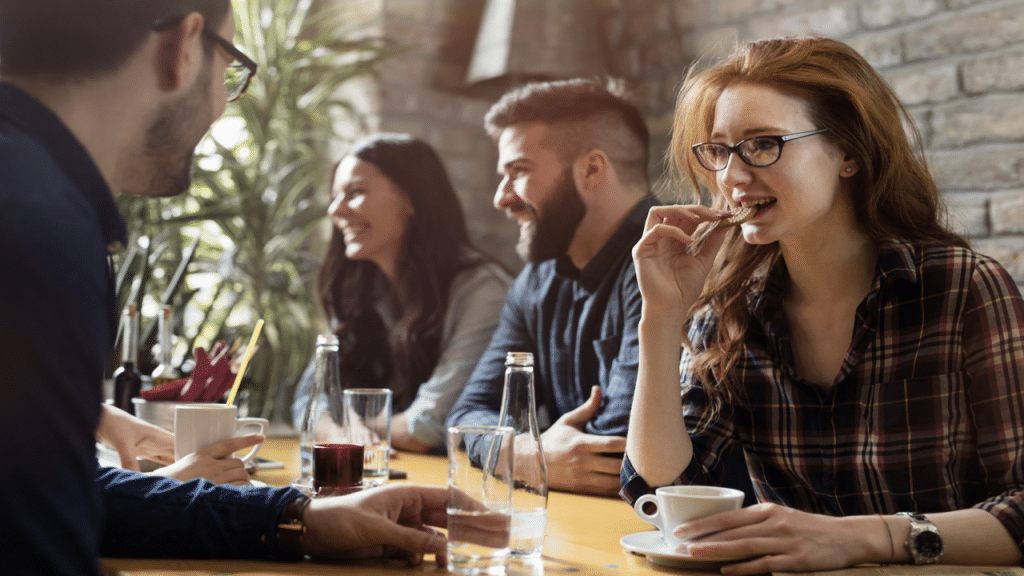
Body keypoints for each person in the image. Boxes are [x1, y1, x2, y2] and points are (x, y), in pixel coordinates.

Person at [0, 2, 447, 574]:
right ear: (184, 47)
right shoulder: (37, 228)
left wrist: (299, 519)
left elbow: (61, 497)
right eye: (230, 68)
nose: (222, 104)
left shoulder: (34, 195)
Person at [623, 36, 1024, 573]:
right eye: (718, 150)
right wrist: (662, 317)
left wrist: (865, 538)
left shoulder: (965, 291)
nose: (732, 178)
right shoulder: (729, 314)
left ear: (849, 153)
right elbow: (668, 493)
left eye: (763, 143)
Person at [445, 78, 659, 496]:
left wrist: (525, 454)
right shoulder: (535, 281)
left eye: (518, 172)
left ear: (592, 169)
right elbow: (469, 413)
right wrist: (523, 454)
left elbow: (616, 453)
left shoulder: (670, 264)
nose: (501, 198)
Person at [290, 133, 511, 453]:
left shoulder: (484, 293)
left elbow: (429, 427)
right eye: (335, 195)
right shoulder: (360, 290)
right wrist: (340, 427)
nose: (336, 210)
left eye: (356, 193)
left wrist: (350, 426)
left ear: (412, 199)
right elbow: (307, 401)